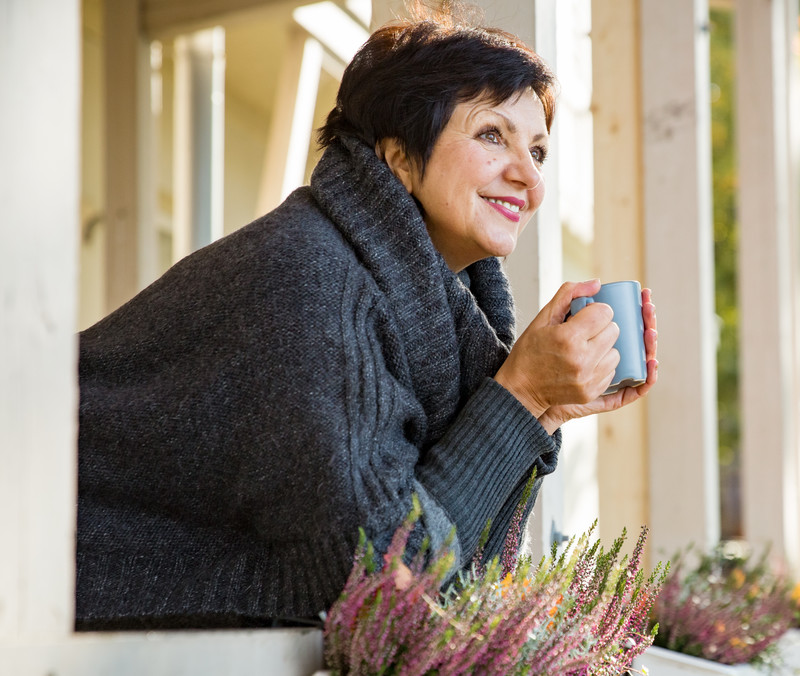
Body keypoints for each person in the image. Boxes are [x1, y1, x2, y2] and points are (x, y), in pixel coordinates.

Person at [75, 3, 658, 630]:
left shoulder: (432, 312)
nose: (529, 178)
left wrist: (543, 408)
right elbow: (384, 582)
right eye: (493, 136)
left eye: (538, 152)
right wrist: (519, 397)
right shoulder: (309, 277)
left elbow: (455, 580)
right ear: (399, 155)